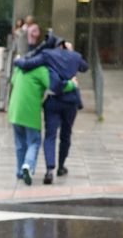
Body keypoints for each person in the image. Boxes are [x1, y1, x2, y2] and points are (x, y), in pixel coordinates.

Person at [14, 36, 88, 183]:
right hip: (70, 102)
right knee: (66, 135)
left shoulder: (48, 56)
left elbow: (28, 63)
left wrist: (17, 61)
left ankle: (49, 170)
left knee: (50, 136)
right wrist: (72, 54)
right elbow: (84, 67)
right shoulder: (75, 56)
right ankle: (61, 166)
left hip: (53, 102)